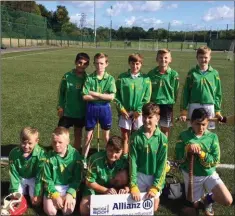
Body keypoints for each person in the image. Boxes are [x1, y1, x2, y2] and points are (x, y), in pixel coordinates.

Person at [175, 108, 233, 215]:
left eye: (204, 124)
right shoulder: (183, 136)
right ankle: (198, 200)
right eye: (198, 124)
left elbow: (215, 160)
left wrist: (201, 153)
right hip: (192, 176)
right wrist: (187, 149)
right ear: (191, 122)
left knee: (228, 200)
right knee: (193, 210)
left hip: (209, 174)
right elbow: (178, 158)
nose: (201, 128)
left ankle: (208, 199)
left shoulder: (212, 137)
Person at [129, 102, 168, 213]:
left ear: (158, 118)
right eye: (144, 117)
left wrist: (155, 186)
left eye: (150, 117)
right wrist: (133, 185)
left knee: (152, 207)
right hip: (139, 175)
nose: (146, 120)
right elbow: (133, 162)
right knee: (134, 205)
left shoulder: (162, 139)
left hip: (154, 176)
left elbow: (162, 164)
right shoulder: (135, 137)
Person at [79, 136, 129, 216]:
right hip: (97, 188)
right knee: (84, 209)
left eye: (117, 152)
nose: (113, 155)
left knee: (124, 175)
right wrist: (106, 190)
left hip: (115, 189)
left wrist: (127, 188)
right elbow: (89, 182)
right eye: (110, 150)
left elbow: (132, 179)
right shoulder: (94, 159)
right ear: (106, 148)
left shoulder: (125, 160)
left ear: (122, 151)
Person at [82, 53, 116, 162]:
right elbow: (85, 96)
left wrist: (95, 93)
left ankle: (109, 158)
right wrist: (102, 96)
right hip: (91, 108)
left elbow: (111, 97)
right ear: (94, 64)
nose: (99, 66)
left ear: (106, 64)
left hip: (105, 109)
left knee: (106, 137)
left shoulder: (110, 79)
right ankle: (84, 159)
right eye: (96, 63)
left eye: (101, 63)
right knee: (88, 136)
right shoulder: (89, 78)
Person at [115, 53, 151, 154]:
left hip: (138, 114)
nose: (135, 66)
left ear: (141, 64)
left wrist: (138, 111)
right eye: (132, 63)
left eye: (137, 64)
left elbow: (146, 98)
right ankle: (125, 158)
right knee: (125, 137)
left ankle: (136, 157)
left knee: (137, 136)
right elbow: (116, 96)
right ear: (129, 64)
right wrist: (122, 109)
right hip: (125, 112)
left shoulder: (146, 79)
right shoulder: (122, 78)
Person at [43, 127, 83, 216]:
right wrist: (55, 195)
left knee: (67, 211)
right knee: (51, 212)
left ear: (68, 141)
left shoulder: (75, 156)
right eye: (54, 142)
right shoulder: (48, 157)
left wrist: (70, 194)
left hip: (69, 186)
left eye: (60, 142)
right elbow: (47, 180)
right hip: (54, 186)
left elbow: (77, 179)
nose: (56, 145)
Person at [179, 46, 222, 129]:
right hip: (194, 105)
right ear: (197, 58)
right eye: (201, 57)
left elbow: (218, 93)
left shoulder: (214, 73)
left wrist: (217, 111)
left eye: (205, 57)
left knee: (207, 131)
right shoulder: (192, 73)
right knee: (193, 129)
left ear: (210, 58)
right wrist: (184, 110)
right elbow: (186, 92)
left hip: (209, 106)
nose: (203, 60)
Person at [57, 52, 90, 151]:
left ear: (87, 65)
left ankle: (75, 153)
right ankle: (61, 152)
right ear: (75, 62)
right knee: (61, 133)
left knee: (78, 133)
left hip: (80, 112)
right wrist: (60, 107)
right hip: (67, 111)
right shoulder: (67, 76)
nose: (82, 65)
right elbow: (61, 93)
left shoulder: (88, 78)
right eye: (80, 62)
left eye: (85, 64)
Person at [9, 127, 46, 206]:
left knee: (35, 203)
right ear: (20, 139)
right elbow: (13, 173)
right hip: (20, 178)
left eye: (30, 143)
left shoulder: (41, 154)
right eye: (23, 142)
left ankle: (29, 190)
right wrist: (14, 190)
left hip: (33, 178)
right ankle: (22, 190)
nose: (26, 146)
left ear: (36, 141)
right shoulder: (14, 153)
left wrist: (37, 193)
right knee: (15, 202)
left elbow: (40, 175)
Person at [148, 48, 179, 137]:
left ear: (170, 60)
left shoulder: (174, 74)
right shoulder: (151, 74)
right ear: (157, 59)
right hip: (154, 104)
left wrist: (170, 100)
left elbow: (176, 91)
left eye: (166, 57)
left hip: (167, 104)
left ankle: (163, 149)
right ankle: (154, 148)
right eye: (160, 57)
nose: (163, 60)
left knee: (165, 129)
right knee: (152, 127)